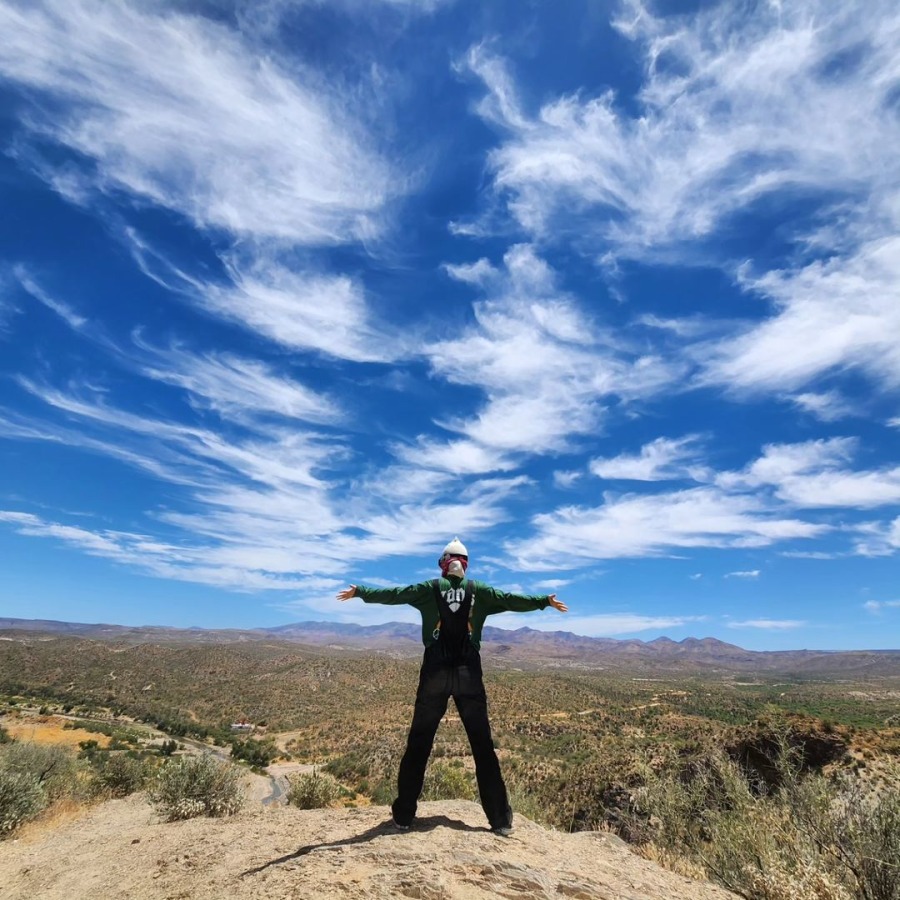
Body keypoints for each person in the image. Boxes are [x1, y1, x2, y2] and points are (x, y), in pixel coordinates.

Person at [336, 537, 568, 835]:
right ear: (466, 563)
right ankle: (500, 821)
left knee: (419, 741)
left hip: (435, 671)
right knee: (482, 744)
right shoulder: (480, 592)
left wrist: (361, 592)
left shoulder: (428, 589)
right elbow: (511, 599)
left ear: (443, 563)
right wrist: (543, 602)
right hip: (468, 672)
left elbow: (394, 594)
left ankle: (404, 815)